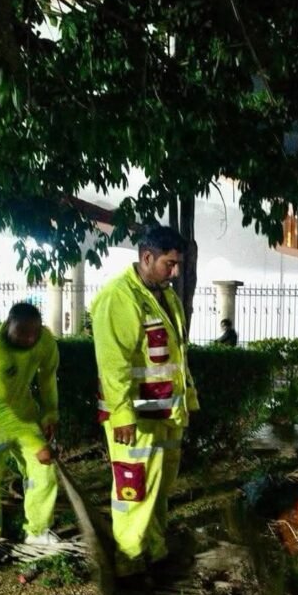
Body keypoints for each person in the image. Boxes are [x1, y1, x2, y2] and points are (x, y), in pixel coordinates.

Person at [90, 225, 199, 576]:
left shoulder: (165, 296)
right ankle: (130, 560)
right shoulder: (118, 297)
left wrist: (188, 399)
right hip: (135, 420)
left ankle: (154, 548)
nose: (175, 272)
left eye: (177, 264)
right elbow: (113, 364)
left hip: (166, 413)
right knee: (133, 490)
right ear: (147, 257)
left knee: (159, 488)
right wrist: (121, 414)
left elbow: (177, 356)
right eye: (170, 264)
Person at [0, 301, 61, 573]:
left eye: (34, 333)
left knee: (43, 469)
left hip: (22, 411)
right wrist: (36, 442)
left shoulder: (44, 340)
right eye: (22, 333)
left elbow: (48, 377)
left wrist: (50, 412)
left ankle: (37, 531)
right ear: (7, 325)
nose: (29, 339)